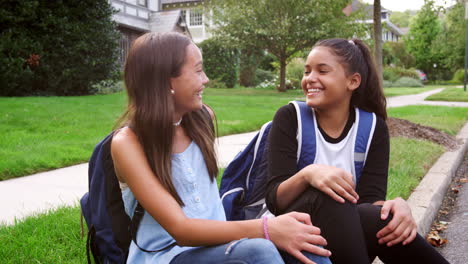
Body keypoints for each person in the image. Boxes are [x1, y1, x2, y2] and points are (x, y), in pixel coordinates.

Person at [110, 31, 331, 264]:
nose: (205, 79)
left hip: (221, 246)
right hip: (166, 257)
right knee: (258, 251)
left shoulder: (201, 119)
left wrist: (279, 231)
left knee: (306, 246)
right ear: (167, 81)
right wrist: (267, 228)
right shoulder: (128, 144)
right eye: (197, 70)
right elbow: (181, 229)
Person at [265, 38, 450, 264]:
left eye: (322, 71)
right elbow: (275, 202)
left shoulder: (373, 128)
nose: (310, 78)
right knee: (332, 192)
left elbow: (370, 201)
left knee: (385, 219)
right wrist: (309, 174)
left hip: (345, 235)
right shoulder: (290, 117)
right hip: (290, 234)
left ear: (352, 81)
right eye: (307, 71)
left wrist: (395, 209)